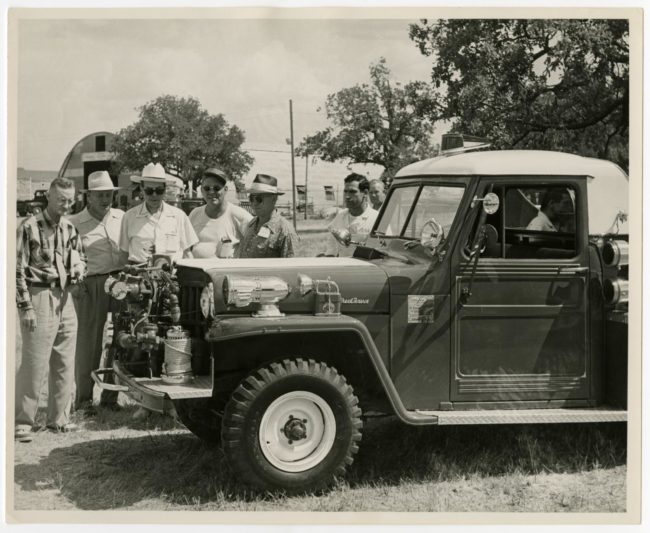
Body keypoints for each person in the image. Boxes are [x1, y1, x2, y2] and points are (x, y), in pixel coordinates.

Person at [15, 177, 86, 442]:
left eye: (71, 200)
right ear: (48, 197)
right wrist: (26, 306)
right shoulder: (29, 227)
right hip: (39, 295)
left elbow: (81, 258)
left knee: (65, 360)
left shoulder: (70, 228)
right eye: (61, 200)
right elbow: (17, 270)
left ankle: (59, 419)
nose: (66, 206)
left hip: (65, 296)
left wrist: (80, 269)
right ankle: (22, 421)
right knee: (35, 361)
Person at [67, 171, 126, 415]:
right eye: (100, 195)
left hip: (121, 281)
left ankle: (110, 397)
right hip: (91, 283)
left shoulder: (122, 217)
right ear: (88, 196)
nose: (105, 199)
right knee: (89, 342)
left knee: (122, 340)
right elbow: (69, 257)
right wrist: (76, 284)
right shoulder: (74, 223)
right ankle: (83, 399)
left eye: (109, 194)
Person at [119, 163, 198, 265]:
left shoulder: (179, 216)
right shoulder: (129, 217)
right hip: (140, 276)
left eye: (159, 190)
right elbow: (123, 254)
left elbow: (187, 254)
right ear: (142, 189)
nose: (154, 195)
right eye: (149, 191)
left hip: (173, 277)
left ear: (165, 189)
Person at [189, 167, 253, 258]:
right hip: (196, 271)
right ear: (202, 191)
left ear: (225, 189)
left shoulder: (239, 215)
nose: (211, 192)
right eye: (207, 188)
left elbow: (255, 242)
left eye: (216, 188)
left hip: (227, 272)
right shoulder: (195, 214)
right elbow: (185, 247)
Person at [236, 174, 299, 258]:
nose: (254, 203)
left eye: (259, 199)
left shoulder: (285, 231)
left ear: (274, 199)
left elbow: (291, 267)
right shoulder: (251, 224)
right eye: (251, 198)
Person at [323, 173, 378, 257]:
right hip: (343, 267)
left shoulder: (377, 219)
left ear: (365, 193)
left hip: (366, 268)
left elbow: (384, 251)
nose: (347, 196)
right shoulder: (341, 216)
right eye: (345, 191)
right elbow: (331, 248)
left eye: (352, 192)